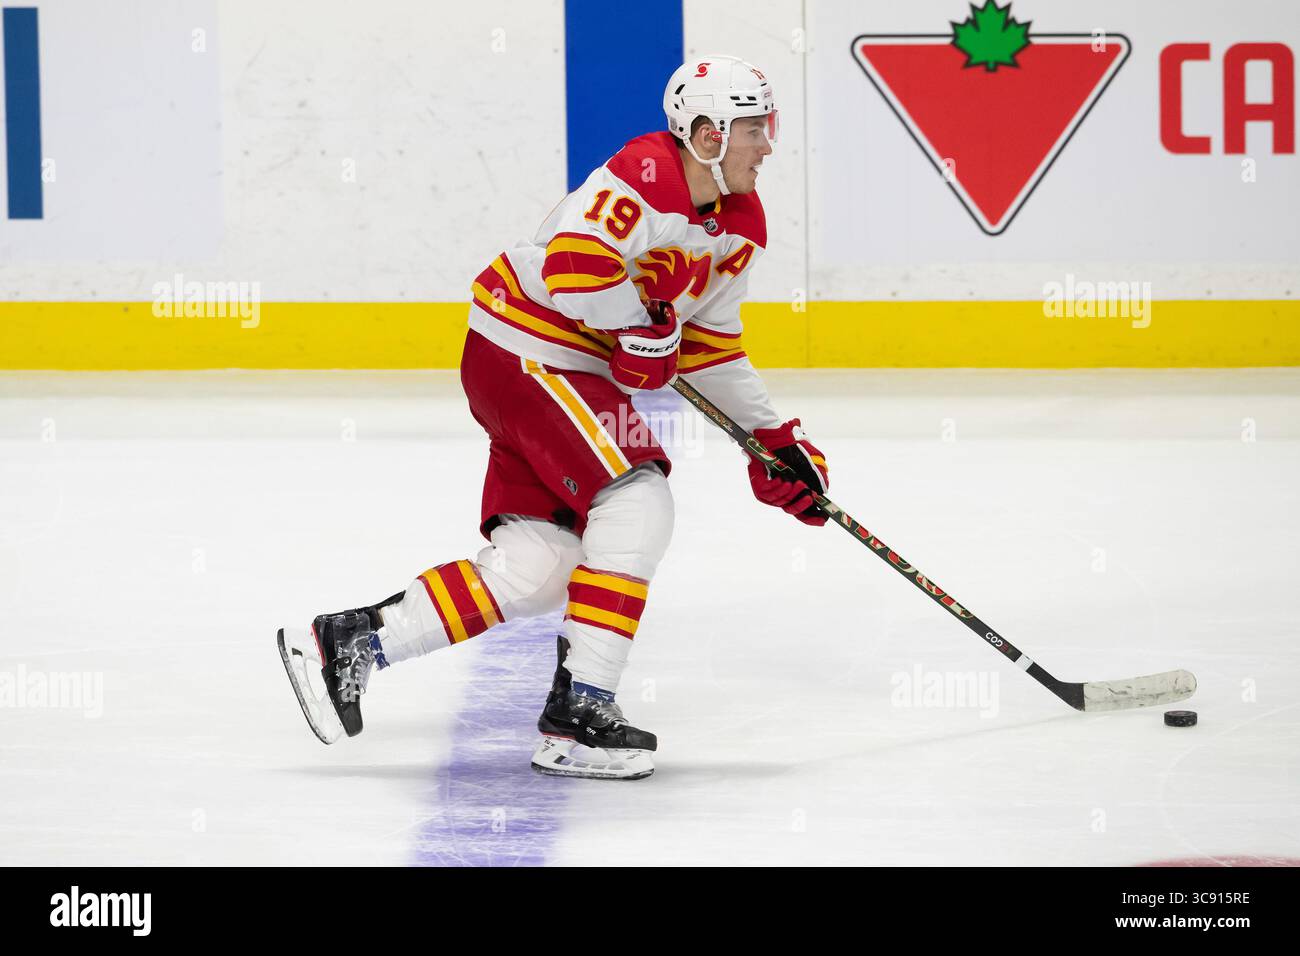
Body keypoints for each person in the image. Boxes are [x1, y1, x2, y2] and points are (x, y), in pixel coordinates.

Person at [278, 54, 830, 780]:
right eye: (754, 128)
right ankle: (581, 714)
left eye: (768, 125)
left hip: (544, 370)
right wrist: (643, 321)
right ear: (705, 135)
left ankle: (347, 643)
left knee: (540, 569)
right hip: (529, 352)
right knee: (636, 500)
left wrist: (769, 438)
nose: (768, 144)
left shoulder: (738, 227)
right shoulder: (643, 177)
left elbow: (710, 345)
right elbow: (573, 269)